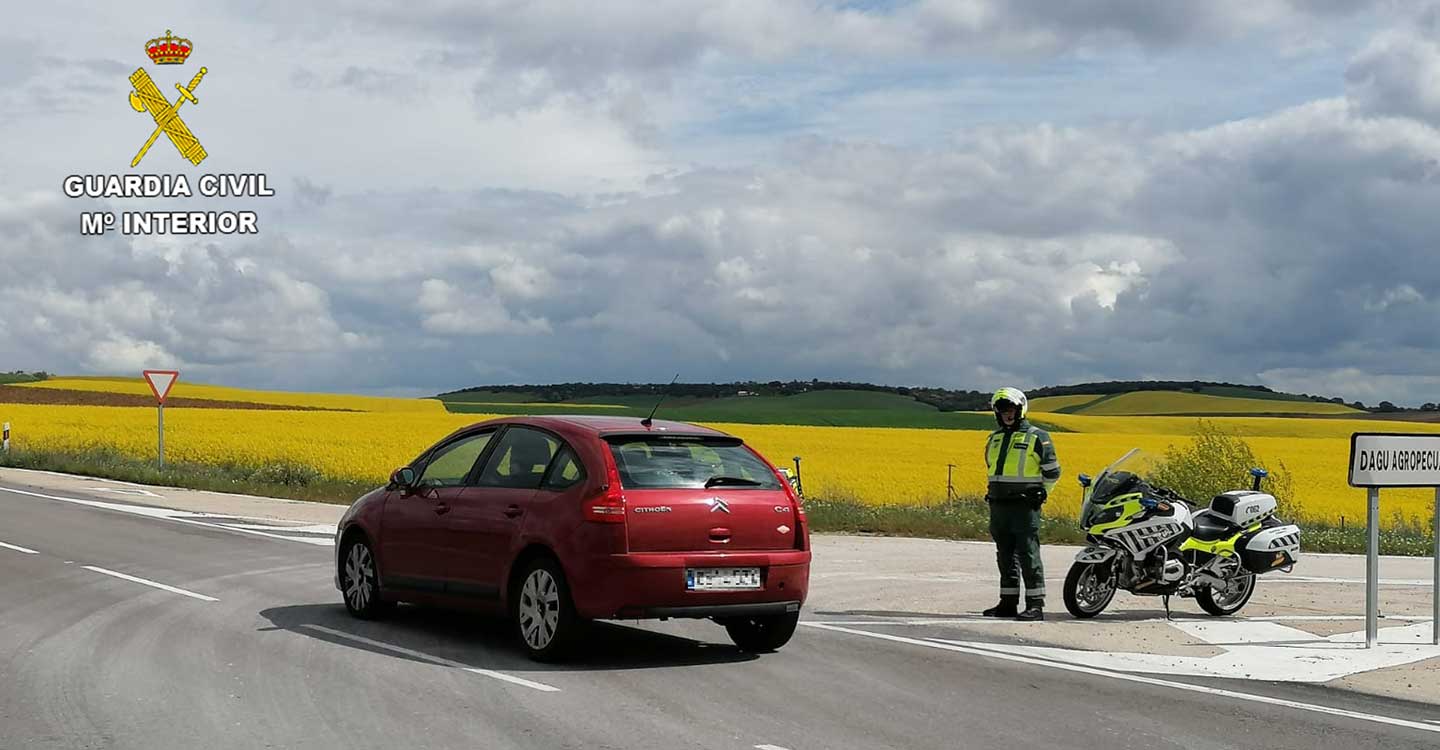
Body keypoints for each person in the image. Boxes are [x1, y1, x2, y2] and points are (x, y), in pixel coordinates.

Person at [981, 387, 1061, 621]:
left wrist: (1042, 494)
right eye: (1002, 410)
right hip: (999, 506)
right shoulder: (994, 439)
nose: (1007, 414)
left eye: (1011, 409)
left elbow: (1053, 472)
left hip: (1024, 507)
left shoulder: (1038, 437)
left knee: (1028, 554)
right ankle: (1007, 603)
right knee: (1004, 555)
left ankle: (1035, 605)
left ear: (1021, 409)